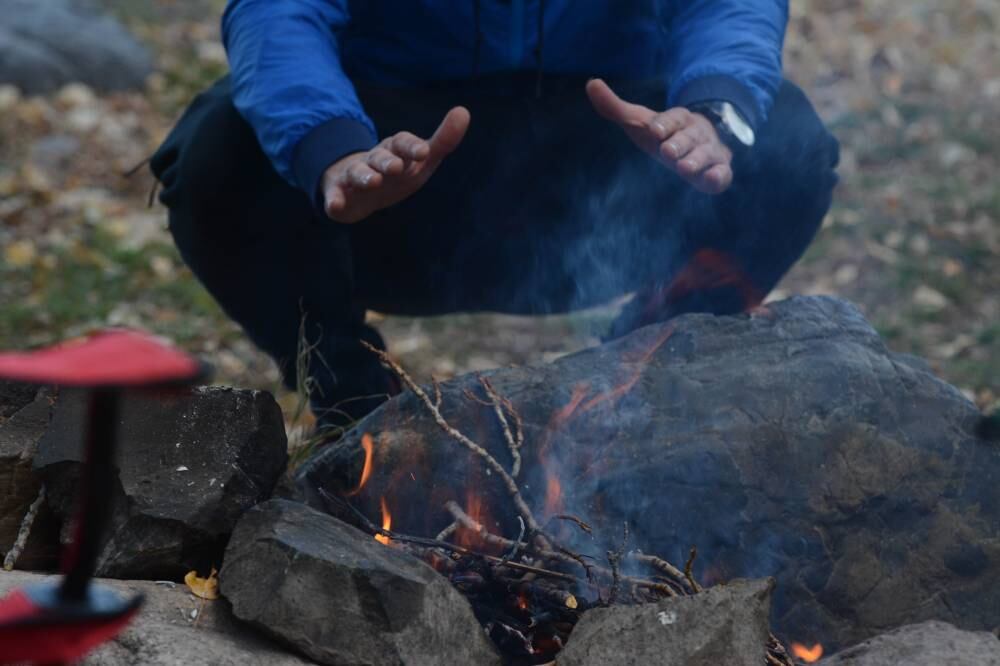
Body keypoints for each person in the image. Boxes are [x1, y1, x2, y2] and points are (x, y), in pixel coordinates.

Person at [151, 1, 839, 431]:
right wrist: (331, 147)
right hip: (400, 182)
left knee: (786, 143)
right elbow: (278, 11)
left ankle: (631, 384)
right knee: (220, 152)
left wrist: (710, 110)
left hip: (602, 172)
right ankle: (352, 404)